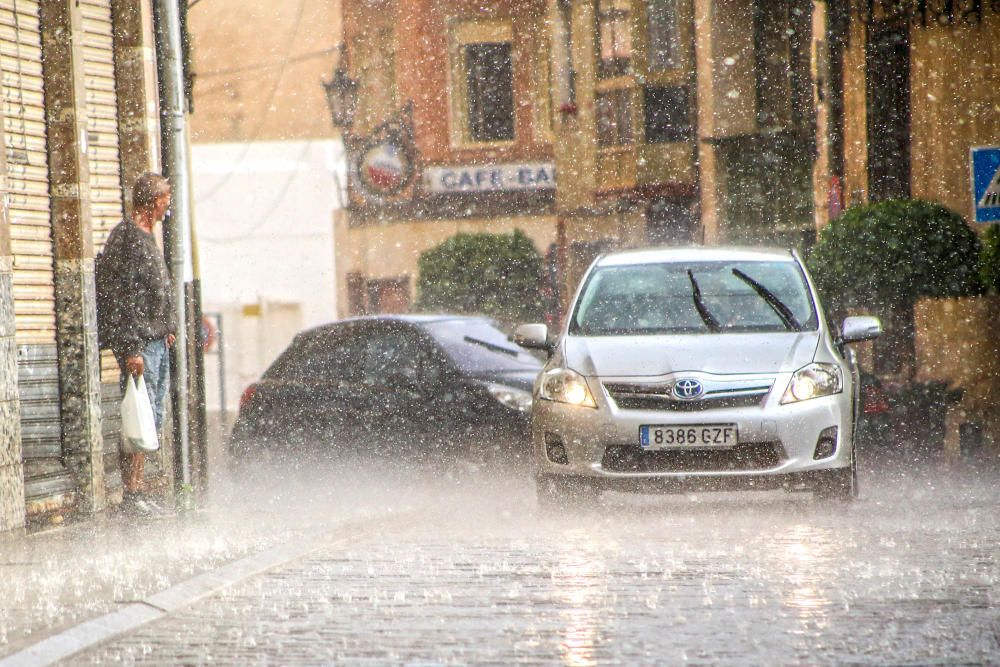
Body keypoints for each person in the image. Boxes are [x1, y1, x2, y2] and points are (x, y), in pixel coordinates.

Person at [96, 172, 177, 517]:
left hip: (154, 340)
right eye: (165, 198)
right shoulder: (128, 239)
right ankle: (131, 494)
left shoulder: (147, 236)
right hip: (140, 346)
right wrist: (132, 348)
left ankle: (138, 490)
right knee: (138, 419)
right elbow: (122, 298)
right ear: (152, 202)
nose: (168, 204)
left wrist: (167, 326)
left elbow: (150, 292)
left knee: (150, 419)